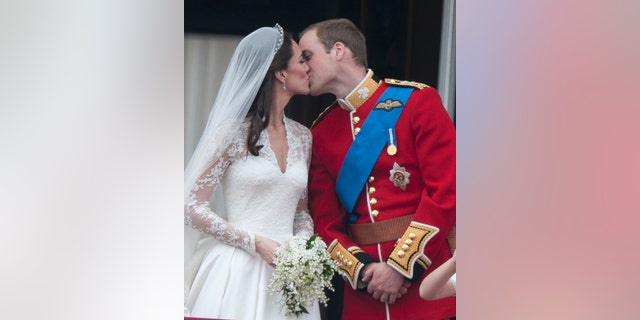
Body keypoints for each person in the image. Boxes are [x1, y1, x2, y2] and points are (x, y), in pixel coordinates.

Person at [300, 18, 456, 320]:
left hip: (428, 284)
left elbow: (447, 191)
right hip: (366, 295)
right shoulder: (320, 131)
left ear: (339, 50)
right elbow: (325, 223)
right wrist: (365, 270)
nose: (304, 67)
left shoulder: (417, 102)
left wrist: (401, 266)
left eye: (308, 56)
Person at [183, 24, 321, 320]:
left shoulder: (303, 137)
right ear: (281, 74)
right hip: (237, 271)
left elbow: (300, 212)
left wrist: (302, 247)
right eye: (301, 60)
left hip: (290, 277)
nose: (308, 68)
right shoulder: (230, 134)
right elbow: (190, 206)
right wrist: (254, 242)